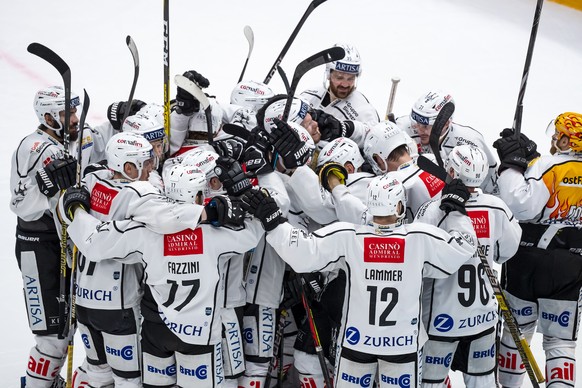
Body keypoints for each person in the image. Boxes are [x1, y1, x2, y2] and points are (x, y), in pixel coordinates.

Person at [243, 173, 478, 387]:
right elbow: (464, 246)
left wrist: (273, 223)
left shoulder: (349, 235)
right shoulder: (419, 238)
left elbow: (303, 252)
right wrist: (456, 211)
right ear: (398, 206)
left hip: (356, 343)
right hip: (402, 346)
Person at [58, 166, 267, 387]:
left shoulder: (145, 232)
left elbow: (95, 242)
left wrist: (76, 208)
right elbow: (259, 226)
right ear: (196, 195)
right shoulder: (216, 234)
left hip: (156, 331)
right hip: (199, 335)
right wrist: (242, 195)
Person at [414, 145, 521, 388]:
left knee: (430, 383)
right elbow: (505, 254)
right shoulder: (497, 207)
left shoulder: (434, 209)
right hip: (482, 318)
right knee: (482, 382)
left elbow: (418, 260)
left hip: (440, 321)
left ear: (450, 170)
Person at [493, 113, 582, 388]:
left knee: (515, 332)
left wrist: (511, 167)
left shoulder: (547, 166)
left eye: (559, 134)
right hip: (570, 266)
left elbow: (520, 205)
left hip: (527, 260)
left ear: (570, 141)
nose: (554, 138)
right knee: (560, 341)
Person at [10, 86, 81, 387]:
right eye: (68, 113)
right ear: (49, 117)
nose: (75, 118)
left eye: (75, 111)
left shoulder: (67, 140)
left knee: (69, 326)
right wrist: (46, 185)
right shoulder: (34, 147)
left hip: (64, 243)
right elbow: (19, 203)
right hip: (37, 250)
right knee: (52, 337)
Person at [397, 90, 498, 194]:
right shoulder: (401, 128)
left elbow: (492, 185)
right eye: (416, 124)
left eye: (426, 126)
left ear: (446, 123)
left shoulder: (471, 141)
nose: (419, 130)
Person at [300, 43, 380, 148]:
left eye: (350, 78)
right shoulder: (310, 94)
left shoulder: (364, 108)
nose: (345, 84)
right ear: (329, 74)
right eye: (339, 77)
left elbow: (376, 136)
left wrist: (345, 128)